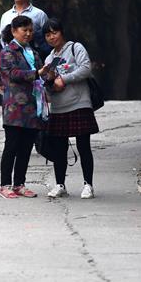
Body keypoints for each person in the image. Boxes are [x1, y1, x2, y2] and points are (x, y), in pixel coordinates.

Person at [42, 18, 99, 199]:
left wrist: (64, 79)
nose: (52, 37)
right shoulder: (49, 58)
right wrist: (50, 82)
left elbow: (86, 69)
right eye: (48, 34)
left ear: (61, 32)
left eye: (54, 32)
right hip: (59, 107)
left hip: (79, 103)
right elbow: (49, 85)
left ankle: (88, 185)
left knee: (84, 146)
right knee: (59, 150)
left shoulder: (76, 48)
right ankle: (60, 185)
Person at [0, 16, 53, 199]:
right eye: (24, 30)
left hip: (32, 107)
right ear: (14, 31)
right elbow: (13, 74)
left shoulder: (33, 52)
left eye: (30, 30)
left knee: (26, 148)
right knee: (11, 147)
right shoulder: (7, 52)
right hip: (14, 108)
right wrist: (37, 73)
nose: (28, 34)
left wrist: (50, 74)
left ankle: (19, 184)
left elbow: (41, 74)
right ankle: (5, 184)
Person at [0, 0, 50, 92]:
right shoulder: (6, 16)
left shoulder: (39, 15)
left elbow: (48, 42)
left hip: (33, 65)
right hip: (10, 67)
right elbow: (0, 43)